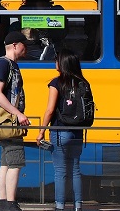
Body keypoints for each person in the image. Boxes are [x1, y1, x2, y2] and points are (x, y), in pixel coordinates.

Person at [36, 49, 89, 211]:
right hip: (78, 132)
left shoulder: (56, 83)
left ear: (62, 63)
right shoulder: (83, 83)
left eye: (56, 60)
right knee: (75, 170)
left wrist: (41, 132)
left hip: (60, 131)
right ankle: (78, 206)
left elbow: (50, 110)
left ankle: (60, 206)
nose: (55, 63)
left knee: (60, 171)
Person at [0, 32, 30, 211]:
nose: (26, 48)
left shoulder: (10, 65)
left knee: (6, 162)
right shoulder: (3, 64)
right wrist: (18, 114)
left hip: (8, 120)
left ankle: (3, 203)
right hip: (9, 121)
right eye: (24, 44)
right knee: (15, 161)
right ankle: (11, 204)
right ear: (15, 45)